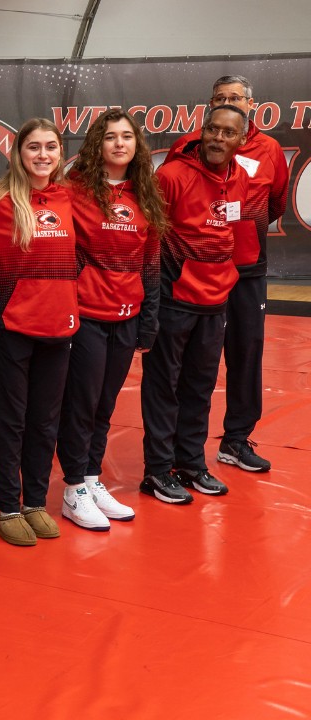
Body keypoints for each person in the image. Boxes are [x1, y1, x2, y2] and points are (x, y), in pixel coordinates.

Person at [170, 76, 289, 473]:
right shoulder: (189, 146)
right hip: (197, 271)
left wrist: (243, 234)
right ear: (209, 107)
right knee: (189, 362)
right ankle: (178, 448)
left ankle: (236, 441)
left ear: (251, 105)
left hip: (246, 270)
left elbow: (275, 204)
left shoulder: (270, 149)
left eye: (235, 98)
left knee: (245, 352)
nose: (228, 103)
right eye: (220, 99)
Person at [56, 109, 166, 530]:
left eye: (126, 137)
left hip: (128, 314)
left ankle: (91, 477)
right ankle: (72, 489)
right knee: (81, 402)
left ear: (136, 146)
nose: (119, 144)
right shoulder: (74, 191)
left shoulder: (145, 193)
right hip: (85, 315)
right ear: (96, 144)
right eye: (110, 137)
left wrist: (149, 317)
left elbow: (150, 261)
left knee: (104, 405)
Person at [141, 104, 250, 504]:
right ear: (202, 131)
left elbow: (229, 227)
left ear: (241, 139)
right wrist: (153, 297)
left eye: (228, 133)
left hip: (215, 299)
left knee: (201, 387)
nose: (219, 139)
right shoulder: (170, 176)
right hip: (174, 298)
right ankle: (156, 470)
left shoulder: (241, 177)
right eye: (213, 130)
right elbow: (149, 238)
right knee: (162, 386)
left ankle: (190, 463)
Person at [0, 118, 79, 547]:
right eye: (34, 147)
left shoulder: (69, 198)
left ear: (60, 153)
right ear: (19, 153)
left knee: (45, 420)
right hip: (12, 328)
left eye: (51, 147)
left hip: (58, 327)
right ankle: (7, 506)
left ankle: (35, 501)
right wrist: (0, 308)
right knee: (10, 420)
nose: (43, 155)